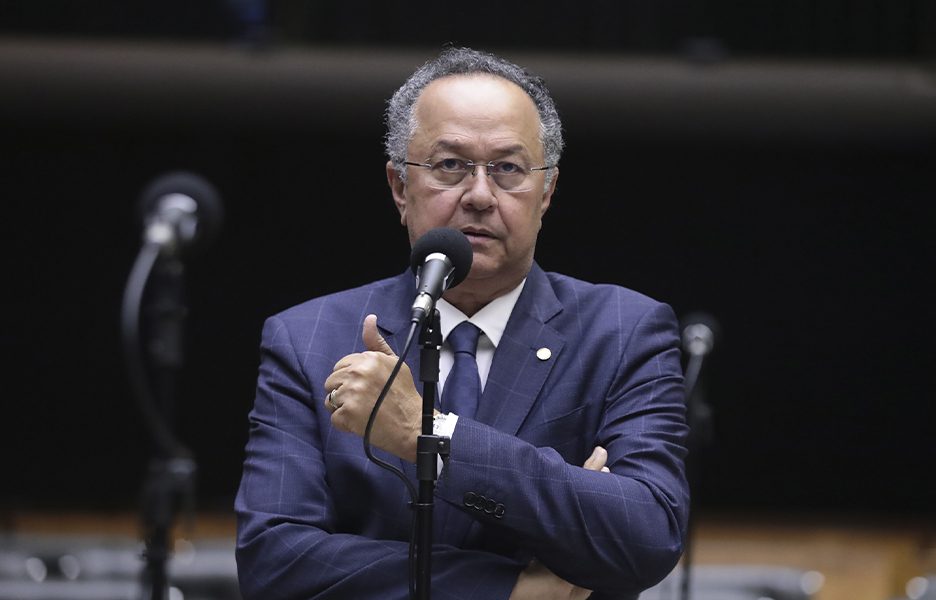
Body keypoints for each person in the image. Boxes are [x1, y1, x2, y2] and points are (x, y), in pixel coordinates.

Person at [234, 46, 689, 600]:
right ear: (401, 188)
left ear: (546, 192)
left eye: (508, 169)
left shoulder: (623, 331)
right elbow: (274, 563)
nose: (479, 194)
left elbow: (647, 534)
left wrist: (431, 435)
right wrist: (512, 588)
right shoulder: (307, 337)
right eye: (450, 165)